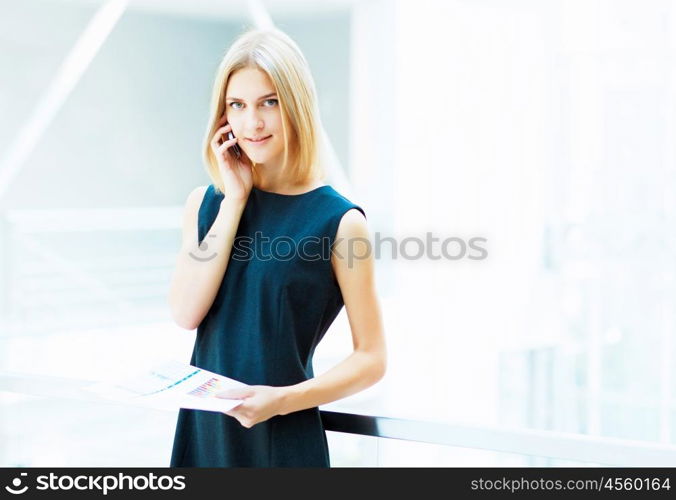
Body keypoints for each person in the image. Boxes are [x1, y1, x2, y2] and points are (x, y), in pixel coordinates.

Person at [167, 27, 386, 467]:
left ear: (296, 104)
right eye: (238, 106)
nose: (252, 123)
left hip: (280, 437)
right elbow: (186, 312)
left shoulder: (340, 222)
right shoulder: (206, 204)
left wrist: (282, 400)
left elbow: (372, 358)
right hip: (205, 432)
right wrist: (235, 200)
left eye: (269, 102)